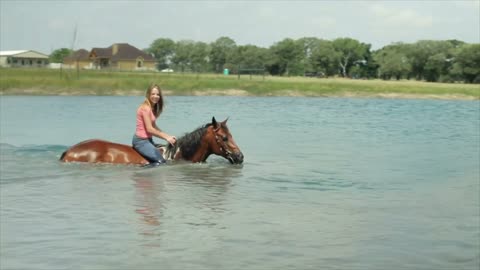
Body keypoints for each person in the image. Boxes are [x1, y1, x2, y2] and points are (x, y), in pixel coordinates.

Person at [132, 84, 176, 166]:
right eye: (153, 94)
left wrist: (168, 136)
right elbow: (150, 129)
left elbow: (154, 126)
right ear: (148, 95)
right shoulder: (145, 108)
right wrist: (166, 137)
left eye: (157, 94)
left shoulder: (151, 108)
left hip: (149, 140)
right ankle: (143, 174)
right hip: (141, 141)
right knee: (160, 162)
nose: (155, 96)